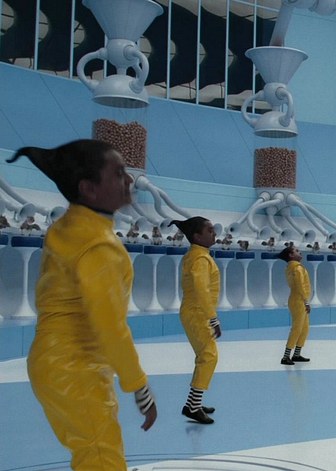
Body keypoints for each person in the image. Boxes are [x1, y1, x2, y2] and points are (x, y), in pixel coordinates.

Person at [7, 140, 157, 470]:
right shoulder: (99, 245)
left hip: (51, 361)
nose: (129, 180)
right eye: (118, 173)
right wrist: (138, 385)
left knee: (90, 454)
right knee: (101, 457)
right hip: (77, 367)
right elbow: (110, 327)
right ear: (88, 188)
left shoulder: (67, 227)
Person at [169, 217, 221, 425]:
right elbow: (201, 290)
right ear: (197, 236)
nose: (214, 233)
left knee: (205, 356)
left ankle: (193, 403)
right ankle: (193, 407)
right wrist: (213, 318)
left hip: (196, 312)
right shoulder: (200, 259)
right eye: (209, 230)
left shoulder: (198, 255)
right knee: (209, 356)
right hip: (198, 313)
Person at [278, 246, 312, 365]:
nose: (299, 252)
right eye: (296, 251)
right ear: (291, 255)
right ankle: (286, 356)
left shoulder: (292, 268)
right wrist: (306, 301)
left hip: (298, 299)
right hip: (299, 300)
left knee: (304, 328)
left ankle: (296, 354)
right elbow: (300, 286)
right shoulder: (297, 268)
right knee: (297, 328)